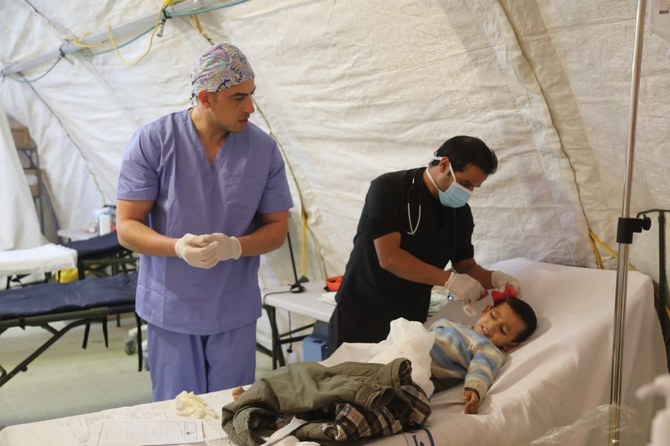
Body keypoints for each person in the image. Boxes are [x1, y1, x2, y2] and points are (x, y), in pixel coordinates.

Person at [116, 43, 293, 401]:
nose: (250, 107)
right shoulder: (154, 142)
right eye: (238, 97)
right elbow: (127, 226)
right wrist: (176, 247)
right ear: (205, 98)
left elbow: (277, 228)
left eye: (252, 95)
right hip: (172, 310)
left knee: (232, 414)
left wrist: (236, 246)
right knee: (178, 414)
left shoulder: (263, 150)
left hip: (232, 308)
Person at [328, 135, 522, 351]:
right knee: (344, 379)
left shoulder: (460, 213)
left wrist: (494, 278)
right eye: (465, 183)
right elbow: (389, 258)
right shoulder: (390, 189)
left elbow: (465, 266)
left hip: (410, 319)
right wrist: (449, 280)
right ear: (444, 164)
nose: (467, 192)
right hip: (362, 312)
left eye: (473, 188)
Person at [429, 297, 537, 414]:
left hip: (422, 371)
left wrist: (474, 388)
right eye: (493, 316)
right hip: (412, 345)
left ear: (510, 345)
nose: (492, 326)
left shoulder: (489, 349)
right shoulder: (452, 323)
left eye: (503, 330)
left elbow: (482, 367)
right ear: (486, 310)